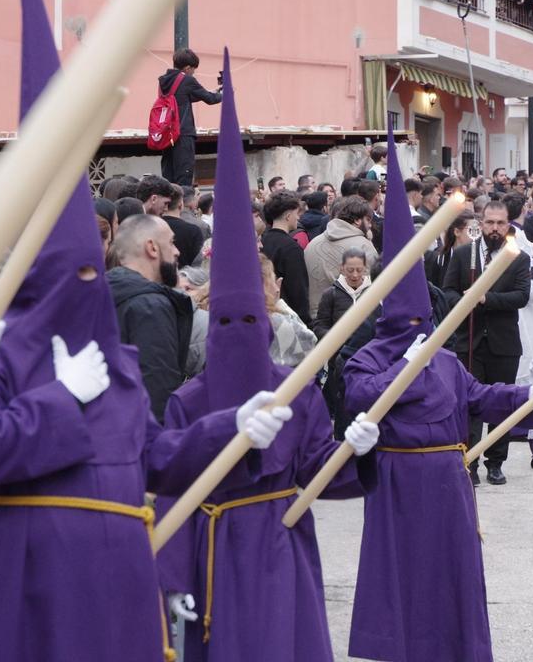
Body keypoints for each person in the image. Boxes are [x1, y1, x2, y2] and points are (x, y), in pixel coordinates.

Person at [0, 0, 286, 662]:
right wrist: (60, 400)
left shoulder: (118, 362)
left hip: (116, 587)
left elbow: (153, 456)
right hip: (29, 590)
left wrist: (230, 427)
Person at [156, 51, 379, 661]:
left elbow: (315, 470)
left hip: (280, 544)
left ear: (269, 317)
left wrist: (354, 450)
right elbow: (169, 488)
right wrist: (171, 577)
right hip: (209, 549)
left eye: (249, 320)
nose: (237, 332)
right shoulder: (188, 399)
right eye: (224, 320)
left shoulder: (297, 390)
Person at [342, 125, 533, 662]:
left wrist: (530, 395)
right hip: (398, 480)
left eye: (423, 319)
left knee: (450, 571)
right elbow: (359, 396)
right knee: (403, 571)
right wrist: (402, 373)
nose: (417, 326)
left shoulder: (441, 356)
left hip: (448, 478)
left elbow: (479, 396)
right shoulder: (371, 355)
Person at [442, 199, 532, 486]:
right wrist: (466, 301)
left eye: (500, 223)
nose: (495, 228)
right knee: (468, 404)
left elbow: (521, 296)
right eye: (490, 222)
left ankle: (496, 462)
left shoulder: (518, 257)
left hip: (503, 343)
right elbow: (448, 293)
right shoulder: (463, 255)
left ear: (508, 225)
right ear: (479, 224)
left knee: (501, 403)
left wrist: (486, 298)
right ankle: (470, 460)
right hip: (469, 342)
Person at [106, 214, 194, 422]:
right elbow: (158, 388)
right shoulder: (150, 306)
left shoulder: (103, 292)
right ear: (152, 248)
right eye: (171, 243)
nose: (176, 251)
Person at [157, 47, 222, 186]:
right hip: (182, 133)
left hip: (167, 134)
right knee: (184, 176)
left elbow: (181, 99)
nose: (193, 73)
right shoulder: (187, 80)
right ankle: (183, 204)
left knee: (169, 175)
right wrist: (224, 94)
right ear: (187, 68)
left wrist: (211, 92)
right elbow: (210, 99)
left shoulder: (163, 81)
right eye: (193, 69)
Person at [305, 195, 379, 316]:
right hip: (351, 320)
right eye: (368, 220)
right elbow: (375, 286)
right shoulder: (364, 246)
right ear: (357, 220)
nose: (370, 225)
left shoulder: (312, 244)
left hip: (316, 317)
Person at [259, 190, 312, 324]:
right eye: (296, 214)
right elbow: (298, 291)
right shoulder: (291, 248)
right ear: (288, 216)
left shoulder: (262, 241)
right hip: (286, 317)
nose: (298, 218)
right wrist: (306, 323)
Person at [313, 248, 370, 339]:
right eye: (350, 270)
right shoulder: (330, 294)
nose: (355, 275)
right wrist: (335, 338)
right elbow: (320, 326)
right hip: (339, 349)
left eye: (359, 270)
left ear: (365, 268)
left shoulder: (374, 292)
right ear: (342, 268)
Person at [162, 183, 205, 266]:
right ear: (181, 204)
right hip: (187, 276)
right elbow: (200, 262)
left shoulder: (152, 227)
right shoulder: (193, 231)